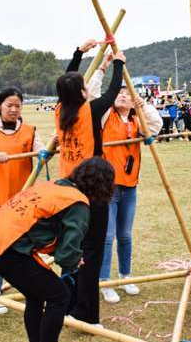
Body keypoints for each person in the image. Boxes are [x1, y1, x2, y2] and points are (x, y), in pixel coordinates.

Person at [0, 157, 114, 342]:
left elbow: (40, 229)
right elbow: (68, 252)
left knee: (36, 296)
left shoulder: (55, 186)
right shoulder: (78, 204)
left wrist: (67, 255)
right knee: (60, 296)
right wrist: (73, 260)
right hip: (7, 251)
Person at [55, 39, 125, 325]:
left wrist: (78, 54)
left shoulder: (62, 110)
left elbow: (65, 83)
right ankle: (86, 313)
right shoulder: (90, 110)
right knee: (92, 251)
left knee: (69, 247)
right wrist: (118, 63)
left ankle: (68, 304)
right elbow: (112, 92)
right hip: (92, 189)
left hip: (65, 189)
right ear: (82, 91)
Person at [0, 87, 44, 314]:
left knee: (23, 246)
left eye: (17, 106)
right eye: (9, 105)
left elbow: (41, 151)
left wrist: (46, 151)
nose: (14, 109)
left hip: (22, 201)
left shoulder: (31, 131)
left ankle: (28, 287)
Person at [99, 87, 162, 303]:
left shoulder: (137, 120)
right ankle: (104, 282)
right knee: (107, 236)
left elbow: (156, 126)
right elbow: (94, 95)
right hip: (108, 187)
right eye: (119, 93)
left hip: (130, 185)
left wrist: (143, 105)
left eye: (127, 93)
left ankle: (125, 277)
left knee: (125, 235)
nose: (123, 96)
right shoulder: (107, 116)